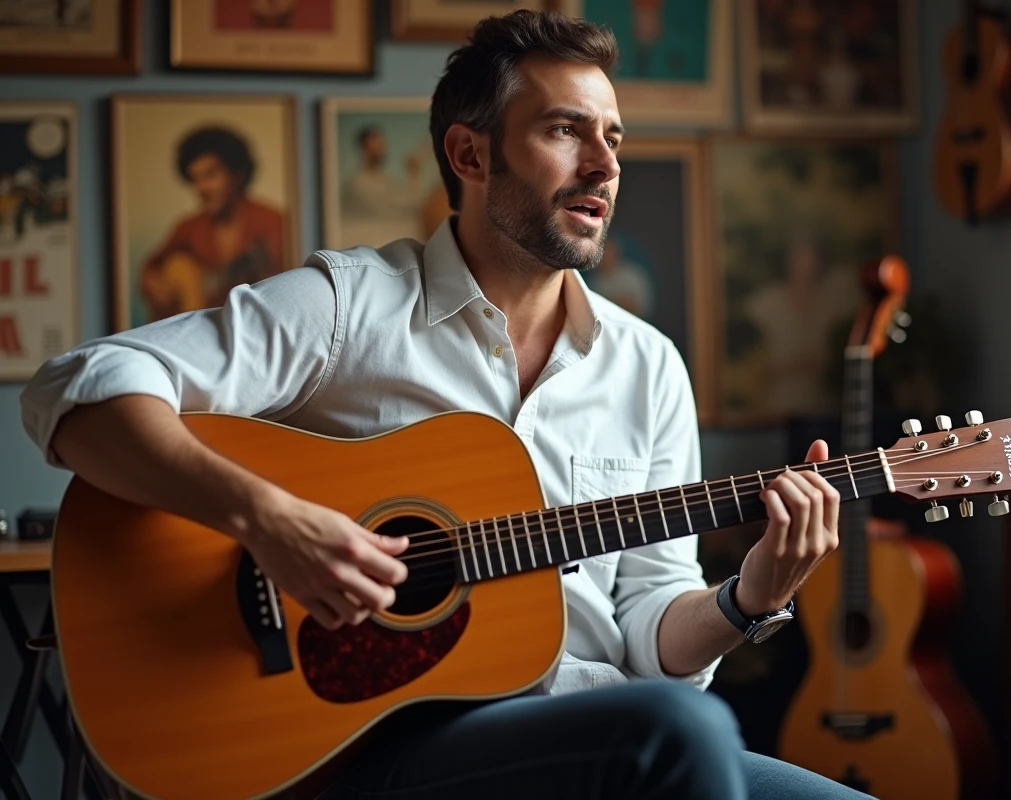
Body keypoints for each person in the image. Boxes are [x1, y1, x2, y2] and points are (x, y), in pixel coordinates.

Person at [20, 10, 870, 800]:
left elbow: (651, 631)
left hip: (605, 732)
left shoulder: (647, 366)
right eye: (565, 130)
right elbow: (80, 387)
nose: (605, 165)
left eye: (612, 137)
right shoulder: (349, 308)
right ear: (470, 155)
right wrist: (268, 519)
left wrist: (750, 598)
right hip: (377, 740)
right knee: (680, 731)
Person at [139, 125, 286, 322]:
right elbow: (151, 269)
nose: (202, 188)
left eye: (210, 176)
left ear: (237, 174)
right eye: (195, 179)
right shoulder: (188, 227)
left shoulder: (272, 222)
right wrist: (159, 289)